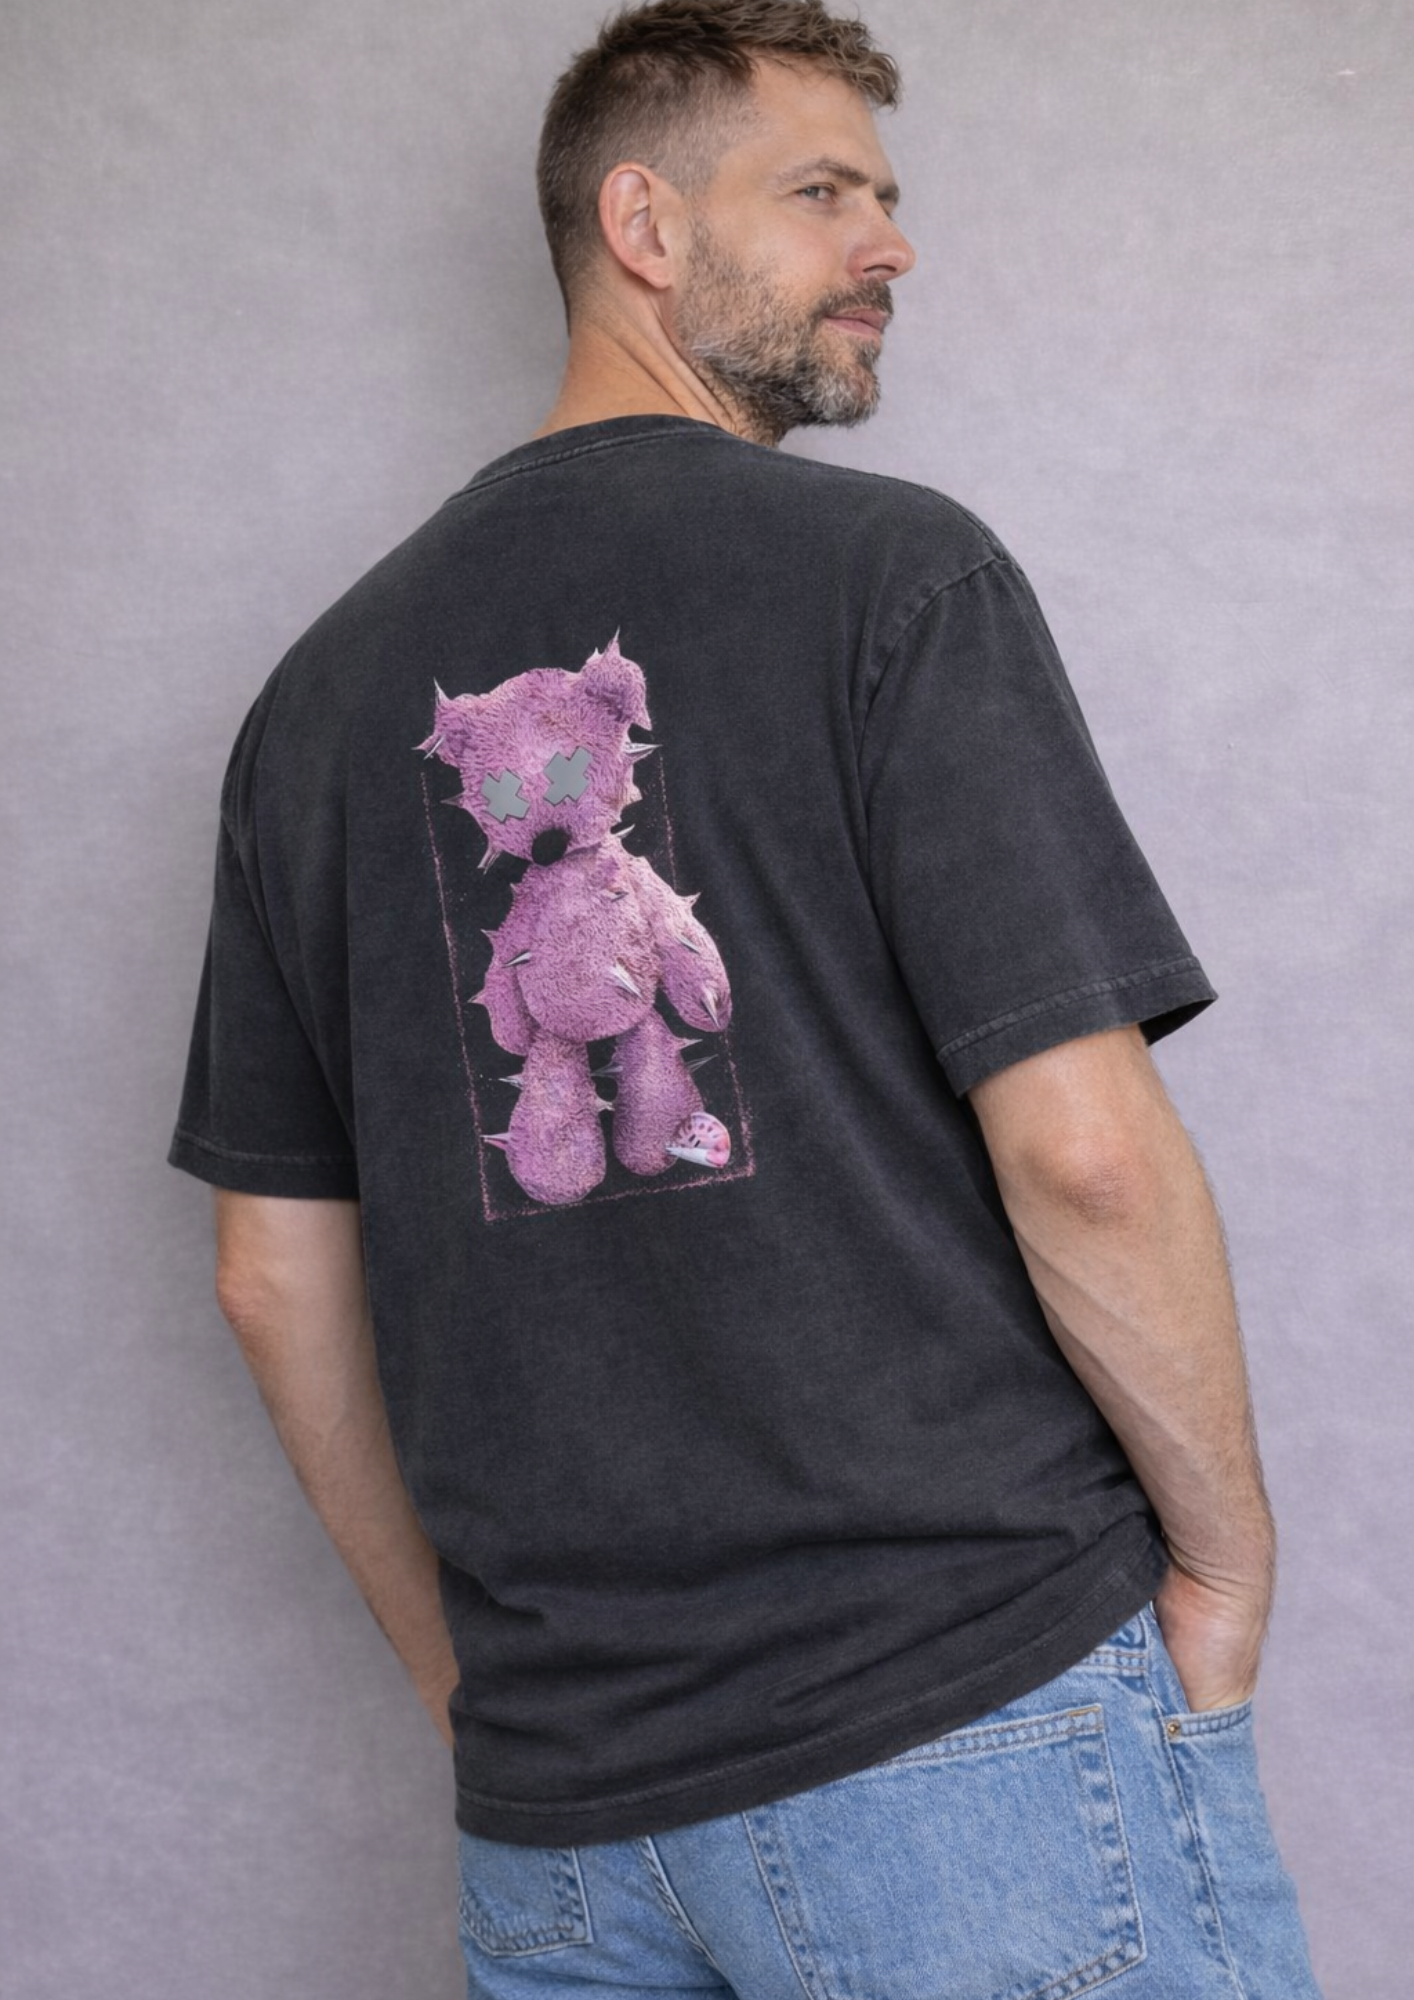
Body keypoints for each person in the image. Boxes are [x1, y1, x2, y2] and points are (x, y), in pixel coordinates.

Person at [170, 2, 1325, 1993]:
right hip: (966, 1728)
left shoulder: (312, 706)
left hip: (558, 1820)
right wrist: (1220, 1566)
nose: (889, 246)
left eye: (884, 197)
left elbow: (272, 1284)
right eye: (820, 194)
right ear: (642, 223)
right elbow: (1083, 1153)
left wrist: (482, 1692)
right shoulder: (896, 580)